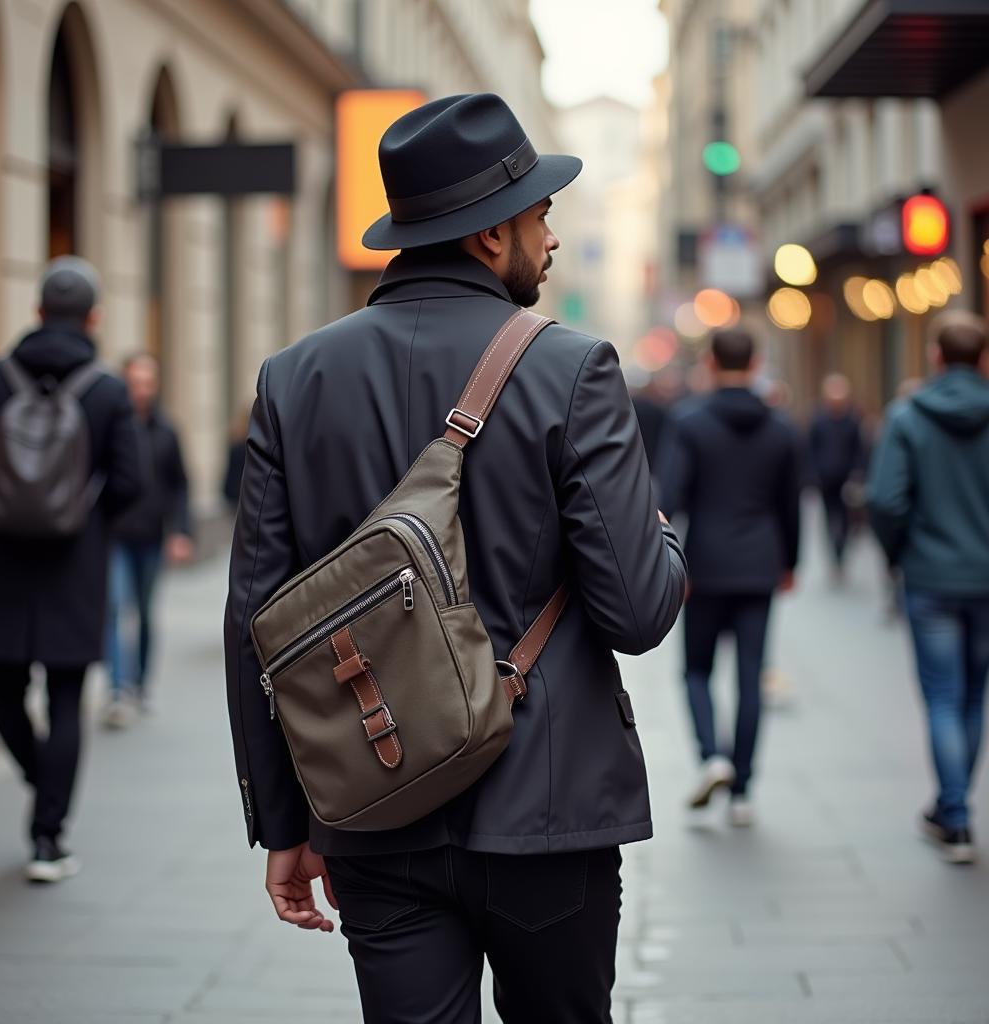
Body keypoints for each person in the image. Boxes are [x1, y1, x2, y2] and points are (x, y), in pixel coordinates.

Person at [225, 93, 687, 1023]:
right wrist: (662, 531)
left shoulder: (294, 377)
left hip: (372, 798)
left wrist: (284, 823)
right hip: (548, 810)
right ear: (489, 238)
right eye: (540, 214)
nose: (550, 239)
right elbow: (640, 612)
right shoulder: (574, 368)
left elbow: (256, 620)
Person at [0, 257, 142, 881]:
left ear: (37, 311)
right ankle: (49, 836)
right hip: (75, 566)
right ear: (93, 317)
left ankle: (42, 781)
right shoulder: (107, 390)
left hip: (1, 565)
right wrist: (82, 519)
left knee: (0, 690)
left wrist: (3, 514)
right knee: (67, 697)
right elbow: (129, 482)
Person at [659, 329, 800, 825]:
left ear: (713, 363)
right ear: (756, 360)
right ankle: (742, 790)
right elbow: (791, 505)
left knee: (696, 670)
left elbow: (669, 498)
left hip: (706, 566)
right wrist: (791, 564)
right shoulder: (781, 427)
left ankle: (710, 756)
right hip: (760, 565)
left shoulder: (690, 422)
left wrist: (665, 561)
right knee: (750, 678)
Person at [868, 311, 989, 865]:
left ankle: (956, 816)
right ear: (982, 359)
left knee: (943, 694)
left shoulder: (908, 415)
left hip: (931, 577)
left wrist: (900, 556)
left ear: (937, 355)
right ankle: (952, 806)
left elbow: (886, 499)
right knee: (971, 696)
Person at [103, 353, 193, 726]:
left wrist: (181, 532)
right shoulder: (110, 427)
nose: (140, 390)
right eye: (133, 382)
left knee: (143, 613)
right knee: (113, 609)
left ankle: (139, 683)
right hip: (115, 536)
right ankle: (117, 690)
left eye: (146, 382)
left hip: (152, 537)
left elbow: (180, 486)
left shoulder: (166, 430)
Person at [808, 373, 864, 580]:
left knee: (846, 521)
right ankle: (834, 555)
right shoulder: (819, 420)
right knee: (829, 519)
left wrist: (857, 474)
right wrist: (812, 475)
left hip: (846, 479)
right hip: (825, 479)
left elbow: (859, 449)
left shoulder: (852, 420)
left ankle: (841, 553)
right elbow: (810, 449)